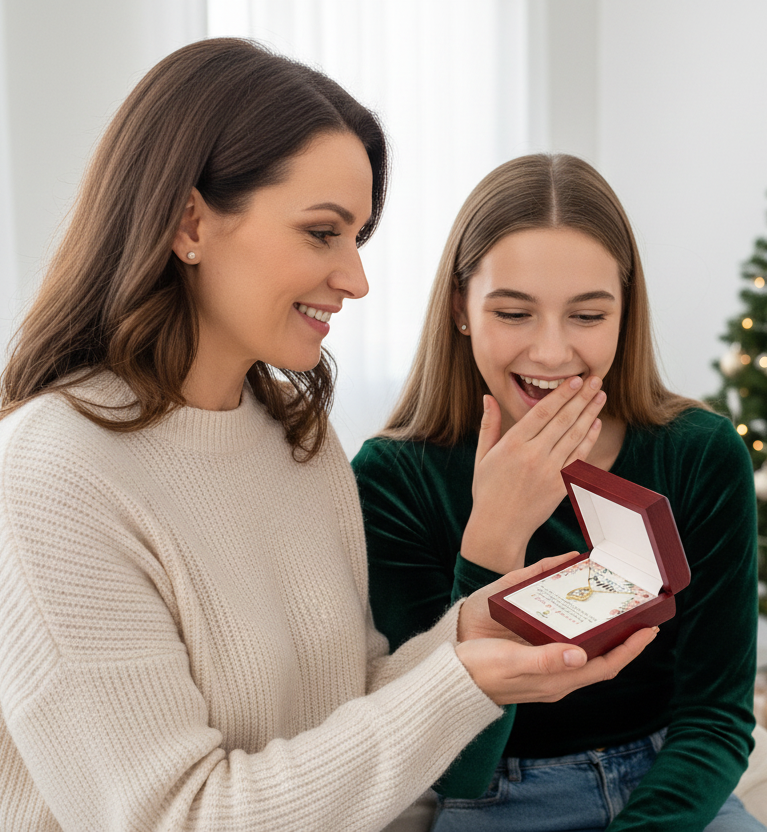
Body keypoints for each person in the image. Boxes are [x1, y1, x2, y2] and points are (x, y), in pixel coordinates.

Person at [0, 42, 659, 832]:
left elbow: (349, 711)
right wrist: (462, 681)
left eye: (359, 238)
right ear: (189, 223)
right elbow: (175, 816)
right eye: (322, 233)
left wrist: (466, 635)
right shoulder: (55, 472)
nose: (356, 278)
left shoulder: (294, 438)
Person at [352, 153, 767, 832]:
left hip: (668, 782)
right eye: (514, 313)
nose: (551, 353)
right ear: (460, 308)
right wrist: (495, 536)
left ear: (624, 314)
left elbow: (716, 717)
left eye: (588, 315)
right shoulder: (394, 477)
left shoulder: (699, 453)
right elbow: (452, 768)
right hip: (497, 797)